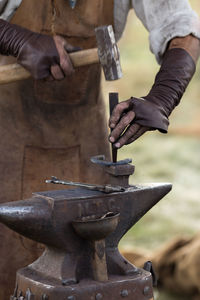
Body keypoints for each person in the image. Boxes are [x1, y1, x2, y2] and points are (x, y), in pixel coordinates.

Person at [0, 1, 199, 299]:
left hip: (87, 147)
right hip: (7, 142)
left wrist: (163, 96)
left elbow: (185, 30)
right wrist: (15, 39)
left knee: (88, 272)